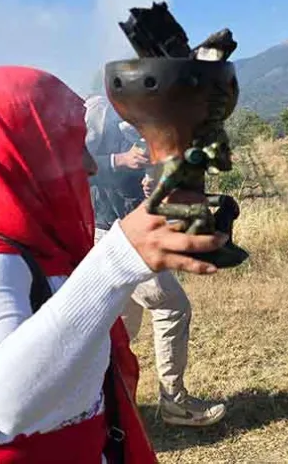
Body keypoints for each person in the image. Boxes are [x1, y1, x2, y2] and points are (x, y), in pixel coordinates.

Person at [0, 65, 226, 462]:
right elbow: (5, 403)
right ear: (23, 153)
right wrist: (117, 259)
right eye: (72, 144)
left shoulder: (39, 251)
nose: (91, 165)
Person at [84, 94, 228, 427]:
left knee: (122, 327)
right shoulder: (97, 110)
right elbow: (75, 163)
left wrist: (149, 184)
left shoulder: (139, 116)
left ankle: (107, 407)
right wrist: (120, 160)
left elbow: (140, 182)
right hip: (116, 234)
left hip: (119, 230)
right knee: (172, 307)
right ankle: (174, 403)